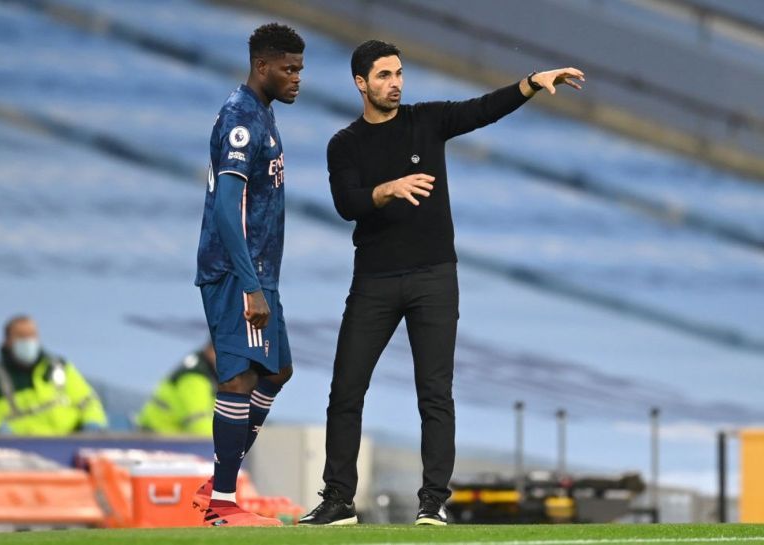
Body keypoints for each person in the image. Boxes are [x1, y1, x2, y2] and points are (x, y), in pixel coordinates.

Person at [299, 40, 584, 526]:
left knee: (434, 391)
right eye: (384, 75)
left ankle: (433, 502)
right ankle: (339, 499)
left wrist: (530, 83)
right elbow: (347, 204)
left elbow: (482, 110)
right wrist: (387, 190)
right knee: (346, 389)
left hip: (434, 277)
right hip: (374, 281)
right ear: (360, 83)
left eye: (399, 73)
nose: (395, 83)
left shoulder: (426, 121)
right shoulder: (343, 144)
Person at [191, 22, 304, 527]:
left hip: (260, 272)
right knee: (238, 378)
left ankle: (220, 478)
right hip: (238, 273)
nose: (297, 78)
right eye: (289, 68)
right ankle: (221, 503)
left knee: (277, 371)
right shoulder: (242, 119)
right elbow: (226, 209)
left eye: (299, 68)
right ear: (263, 66)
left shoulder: (263, 113)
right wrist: (251, 285)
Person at [0, 315, 107, 435]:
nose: (27, 341)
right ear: (7, 341)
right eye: (21, 336)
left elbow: (88, 401)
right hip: (23, 454)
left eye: (32, 335)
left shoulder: (60, 368)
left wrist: (92, 425)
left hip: (69, 448)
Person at [137, 340, 218, 436]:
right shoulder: (195, 379)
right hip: (156, 439)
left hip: (174, 439)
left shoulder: (211, 370)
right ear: (210, 350)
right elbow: (200, 425)